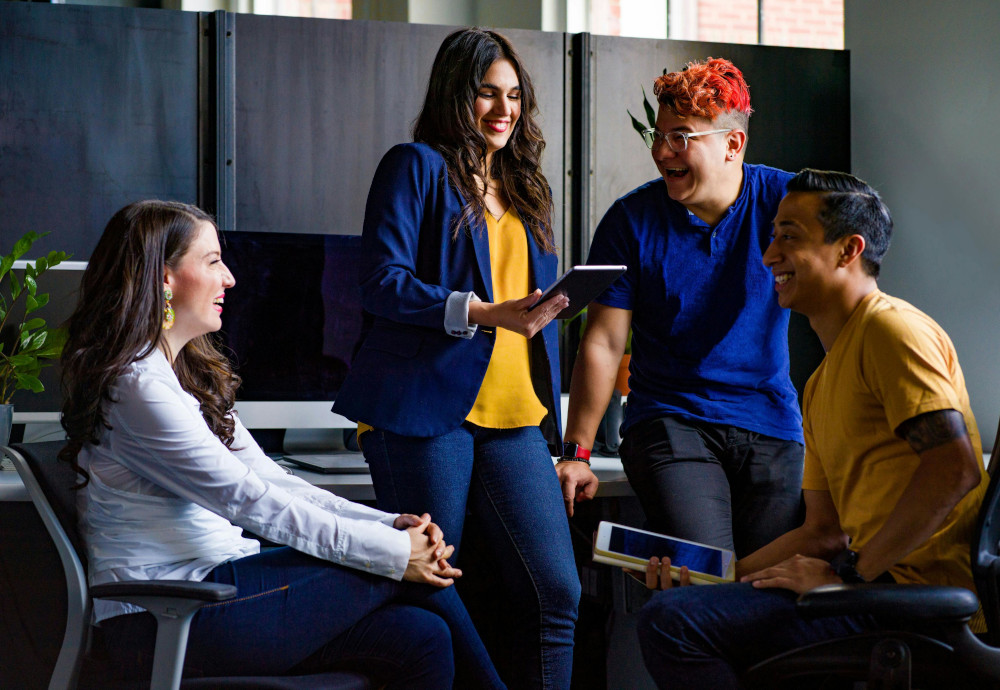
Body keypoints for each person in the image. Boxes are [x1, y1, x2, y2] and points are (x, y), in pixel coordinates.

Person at [58, 200, 504, 689]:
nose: (229, 278)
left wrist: (388, 524)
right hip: (163, 618)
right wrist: (398, 551)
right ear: (163, 278)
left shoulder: (184, 376)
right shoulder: (137, 386)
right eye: (212, 262)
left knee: (421, 637)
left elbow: (272, 480)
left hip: (224, 590)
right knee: (395, 567)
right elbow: (248, 500)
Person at [634, 169, 989, 686]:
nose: (769, 255)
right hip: (873, 588)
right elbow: (823, 531)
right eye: (773, 235)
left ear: (849, 250)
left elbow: (953, 468)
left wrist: (849, 576)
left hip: (916, 604)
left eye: (789, 237)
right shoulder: (820, 383)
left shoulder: (891, 329)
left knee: (674, 625)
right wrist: (711, 581)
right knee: (686, 609)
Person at [332, 27, 580, 690]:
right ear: (455, 94)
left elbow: (523, 308)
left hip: (514, 412)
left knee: (557, 593)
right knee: (433, 582)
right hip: (423, 409)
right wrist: (480, 310)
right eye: (486, 94)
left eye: (513, 97)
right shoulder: (415, 166)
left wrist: (548, 308)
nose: (503, 109)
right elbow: (381, 281)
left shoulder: (526, 189)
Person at [558, 57, 804, 558]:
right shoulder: (631, 221)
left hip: (771, 421)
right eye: (659, 135)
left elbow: (852, 263)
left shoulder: (787, 202)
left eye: (681, 137)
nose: (661, 151)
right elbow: (604, 343)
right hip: (670, 420)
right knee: (708, 573)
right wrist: (576, 454)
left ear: (733, 144)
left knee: (767, 589)